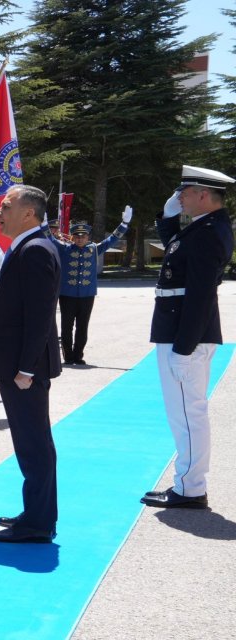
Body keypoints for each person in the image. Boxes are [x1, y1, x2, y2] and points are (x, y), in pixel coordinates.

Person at [141, 166, 235, 509]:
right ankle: (188, 483)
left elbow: (200, 295)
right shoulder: (202, 227)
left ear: (203, 195)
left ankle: (191, 489)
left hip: (185, 334)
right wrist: (167, 218)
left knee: (187, 414)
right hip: (177, 328)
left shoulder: (209, 232)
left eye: (185, 191)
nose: (179, 197)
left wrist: (183, 348)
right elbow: (175, 250)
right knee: (182, 413)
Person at [0, 184, 61, 544]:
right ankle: (35, 513)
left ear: (29, 213)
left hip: (24, 368)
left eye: (7, 206)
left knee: (34, 443)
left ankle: (38, 523)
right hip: (18, 364)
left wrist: (27, 368)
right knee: (29, 440)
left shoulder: (35, 250)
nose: (0, 212)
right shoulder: (28, 246)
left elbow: (40, 315)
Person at [49, 209, 131, 365]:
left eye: (83, 236)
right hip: (67, 295)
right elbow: (50, 239)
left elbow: (112, 239)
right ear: (72, 237)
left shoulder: (93, 249)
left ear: (88, 237)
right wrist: (42, 225)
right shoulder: (65, 248)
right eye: (77, 236)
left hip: (87, 295)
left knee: (82, 327)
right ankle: (68, 356)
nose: (80, 239)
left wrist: (124, 224)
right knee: (66, 327)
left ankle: (78, 356)